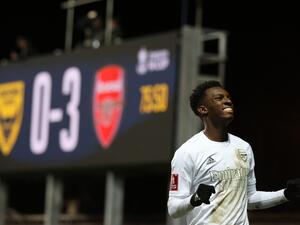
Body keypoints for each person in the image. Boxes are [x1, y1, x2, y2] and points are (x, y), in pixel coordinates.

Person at [167, 80, 300, 225]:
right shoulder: (187, 152)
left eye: (228, 98)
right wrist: (196, 198)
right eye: (219, 98)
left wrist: (285, 194)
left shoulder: (243, 147)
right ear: (203, 109)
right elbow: (173, 209)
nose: (227, 101)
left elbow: (250, 199)